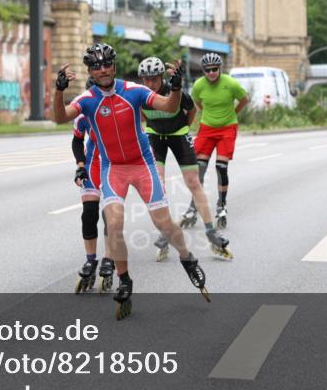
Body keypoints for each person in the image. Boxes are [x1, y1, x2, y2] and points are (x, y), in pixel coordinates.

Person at [52, 43, 210, 320]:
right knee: (113, 224)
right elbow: (58, 118)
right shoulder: (88, 99)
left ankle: (187, 257)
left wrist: (175, 88)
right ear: (89, 70)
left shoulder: (133, 91)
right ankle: (125, 280)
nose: (102, 70)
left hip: (142, 165)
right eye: (95, 66)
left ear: (113, 66)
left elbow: (168, 107)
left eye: (106, 64)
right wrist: (59, 90)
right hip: (113, 169)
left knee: (163, 223)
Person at [136, 56, 231, 261]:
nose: (150, 83)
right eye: (146, 79)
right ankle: (166, 231)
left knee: (193, 182)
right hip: (155, 138)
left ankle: (211, 233)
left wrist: (184, 128)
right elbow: (141, 115)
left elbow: (192, 110)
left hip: (179, 135)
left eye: (154, 79)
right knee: (158, 185)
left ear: (161, 77)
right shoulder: (141, 94)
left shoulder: (175, 90)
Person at [190, 53, 249, 229]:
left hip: (227, 129)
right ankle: (194, 205)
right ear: (203, 71)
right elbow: (198, 103)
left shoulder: (230, 83)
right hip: (207, 129)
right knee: (199, 168)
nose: (211, 73)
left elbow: (244, 100)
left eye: (215, 69)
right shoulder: (199, 85)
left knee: (221, 167)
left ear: (220, 69)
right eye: (207, 70)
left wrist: (233, 114)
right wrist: (209, 115)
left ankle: (221, 205)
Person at [71, 110, 114, 293]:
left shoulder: (118, 107)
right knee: (89, 213)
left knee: (111, 215)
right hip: (93, 163)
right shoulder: (83, 113)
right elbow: (77, 140)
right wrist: (80, 166)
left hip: (115, 163)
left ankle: (109, 259)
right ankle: (90, 260)